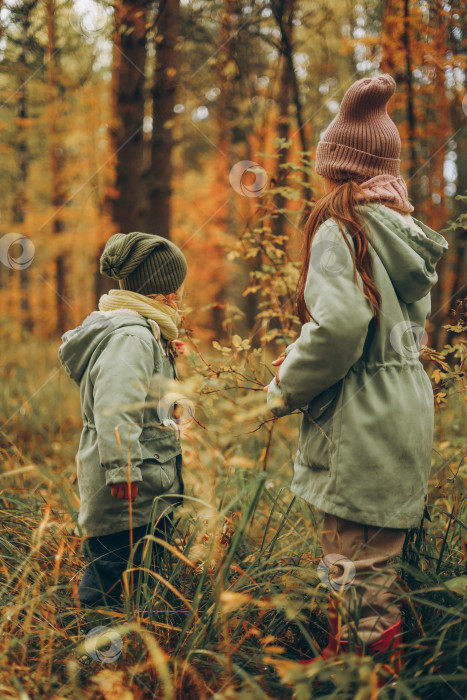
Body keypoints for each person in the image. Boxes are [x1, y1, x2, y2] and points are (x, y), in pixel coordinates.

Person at [265, 74, 448, 673]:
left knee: (352, 560)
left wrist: (286, 385)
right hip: (403, 409)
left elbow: (340, 327)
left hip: (361, 421)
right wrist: (302, 351)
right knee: (374, 560)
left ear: (335, 167)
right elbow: (378, 331)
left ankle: (363, 674)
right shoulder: (405, 234)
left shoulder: (340, 228)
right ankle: (356, 658)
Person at [58, 232, 188, 607]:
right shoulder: (132, 336)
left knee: (145, 566)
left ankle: (138, 637)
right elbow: (115, 403)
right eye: (176, 286)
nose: (180, 293)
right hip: (130, 484)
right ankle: (97, 647)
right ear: (164, 292)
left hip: (150, 484)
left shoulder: (145, 331)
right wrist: (123, 466)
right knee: (109, 569)